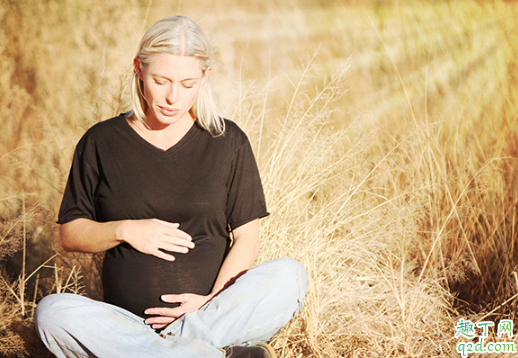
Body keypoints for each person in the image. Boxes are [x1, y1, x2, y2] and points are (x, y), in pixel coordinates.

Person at [34, 15, 308, 358]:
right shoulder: (101, 141)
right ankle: (207, 353)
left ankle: (181, 347)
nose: (173, 97)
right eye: (161, 80)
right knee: (52, 313)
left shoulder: (227, 141)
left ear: (206, 76)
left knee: (290, 276)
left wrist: (210, 303)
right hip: (128, 325)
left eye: (188, 83)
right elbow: (70, 234)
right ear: (138, 69)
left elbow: (246, 237)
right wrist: (126, 229)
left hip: (210, 315)